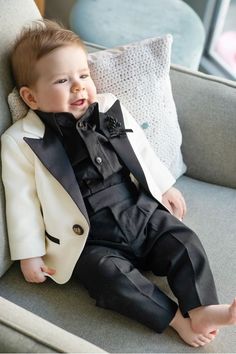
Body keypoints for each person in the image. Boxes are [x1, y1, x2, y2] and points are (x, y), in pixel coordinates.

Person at [1, 20, 236, 348]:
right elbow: (21, 200)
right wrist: (29, 253)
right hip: (89, 239)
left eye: (83, 75)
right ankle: (176, 319)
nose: (79, 87)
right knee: (107, 278)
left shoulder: (109, 107)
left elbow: (141, 150)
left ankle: (202, 307)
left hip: (138, 210)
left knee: (183, 240)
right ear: (31, 97)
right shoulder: (21, 141)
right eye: (62, 80)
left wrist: (164, 186)